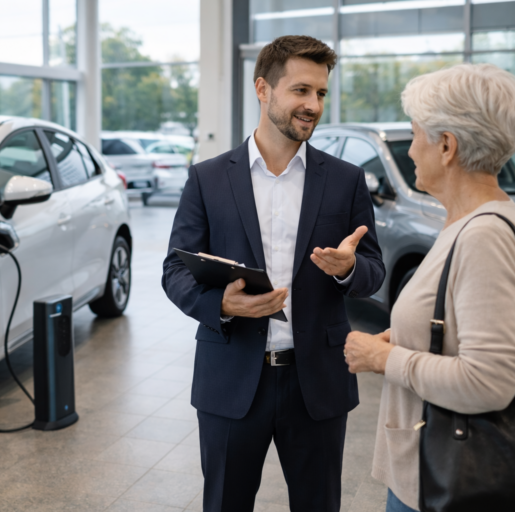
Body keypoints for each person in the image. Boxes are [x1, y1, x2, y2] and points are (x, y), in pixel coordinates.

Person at [162, 35, 385, 511]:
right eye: (301, 91)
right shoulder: (207, 178)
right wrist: (221, 304)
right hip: (231, 379)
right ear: (263, 89)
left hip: (317, 385)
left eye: (321, 94)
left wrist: (348, 271)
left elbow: (373, 271)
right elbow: (174, 271)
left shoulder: (345, 180)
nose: (313, 105)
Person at [343, 63, 515, 512]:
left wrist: (385, 358)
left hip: (450, 480)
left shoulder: (483, 236)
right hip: (430, 471)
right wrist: (405, 336)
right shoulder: (467, 223)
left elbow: (489, 381)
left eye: (416, 136)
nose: (412, 150)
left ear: (447, 146)